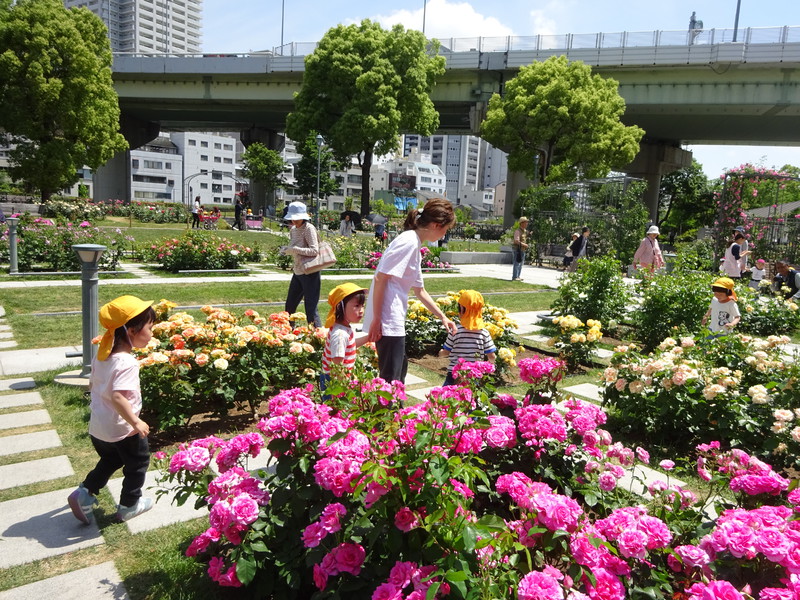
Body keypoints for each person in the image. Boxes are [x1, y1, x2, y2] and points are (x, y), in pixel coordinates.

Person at [67, 295, 157, 525]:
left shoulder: (103, 355)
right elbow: (118, 396)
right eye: (150, 327)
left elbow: (92, 384)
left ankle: (85, 492)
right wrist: (135, 422)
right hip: (122, 428)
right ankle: (129, 505)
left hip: (99, 425)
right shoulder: (126, 362)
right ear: (133, 330)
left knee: (112, 459)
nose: (153, 332)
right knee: (137, 463)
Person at [363, 198, 458, 383]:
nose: (445, 234)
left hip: (393, 319)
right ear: (436, 225)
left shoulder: (414, 244)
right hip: (388, 320)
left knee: (398, 376)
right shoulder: (408, 242)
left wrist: (443, 317)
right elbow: (380, 278)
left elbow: (419, 290)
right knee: (390, 382)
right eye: (446, 229)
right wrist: (377, 318)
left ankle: (395, 412)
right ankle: (387, 413)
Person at [439, 290, 496, 386]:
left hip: (455, 374)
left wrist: (440, 353)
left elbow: (445, 352)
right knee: (471, 398)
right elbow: (492, 356)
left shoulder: (455, 331)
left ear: (461, 309)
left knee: (447, 396)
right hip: (474, 375)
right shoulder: (484, 333)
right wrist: (491, 364)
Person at [320, 283, 368, 394]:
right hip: (334, 383)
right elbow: (337, 365)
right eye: (356, 306)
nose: (361, 310)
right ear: (340, 307)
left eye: (362, 306)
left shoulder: (344, 328)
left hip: (339, 379)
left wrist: (368, 338)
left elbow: (349, 346)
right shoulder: (340, 335)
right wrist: (348, 385)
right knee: (336, 411)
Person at [283, 201, 322, 327]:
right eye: (292, 218)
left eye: (296, 218)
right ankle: (288, 333)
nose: (293, 221)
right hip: (298, 271)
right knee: (289, 306)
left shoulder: (309, 228)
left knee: (310, 308)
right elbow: (295, 247)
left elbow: (314, 251)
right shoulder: (293, 229)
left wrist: (295, 249)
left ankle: (318, 337)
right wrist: (286, 250)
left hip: (310, 272)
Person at [511, 216, 528, 281]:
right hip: (517, 250)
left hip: (522, 250)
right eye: (525, 222)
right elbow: (516, 241)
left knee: (520, 264)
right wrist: (525, 244)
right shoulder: (518, 231)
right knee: (517, 263)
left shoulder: (524, 231)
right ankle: (515, 277)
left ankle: (518, 276)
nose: (527, 224)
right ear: (522, 223)